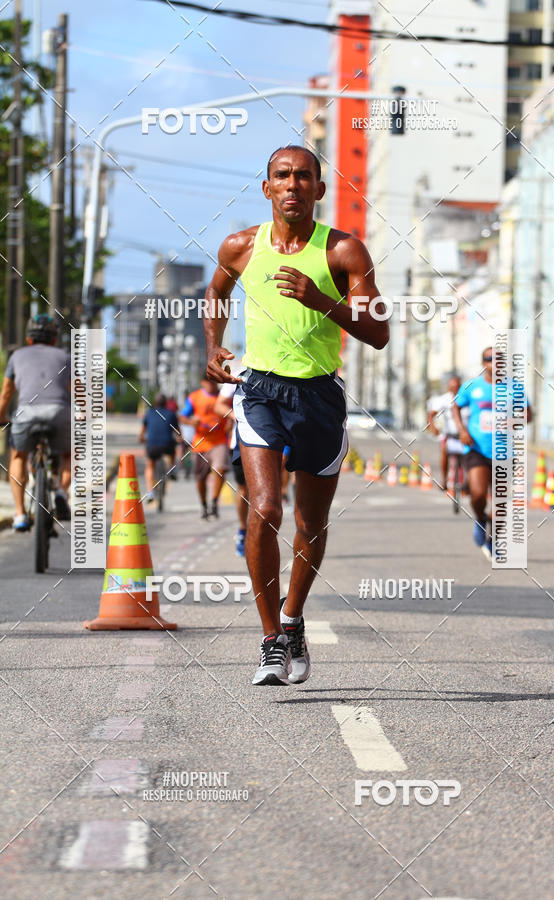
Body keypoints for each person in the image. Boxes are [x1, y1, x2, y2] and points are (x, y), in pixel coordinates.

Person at [203, 144, 389, 685]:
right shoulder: (240, 247)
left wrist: (322, 302)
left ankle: (292, 620)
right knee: (264, 509)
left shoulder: (345, 252)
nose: (292, 185)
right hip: (259, 390)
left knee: (310, 522)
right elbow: (215, 293)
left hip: (319, 398)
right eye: (282, 176)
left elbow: (378, 333)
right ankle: (268, 642)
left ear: (319, 189)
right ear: (267, 189)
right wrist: (212, 346)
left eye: (303, 176)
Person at [453, 346, 532, 559]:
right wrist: (461, 430)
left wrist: (514, 420)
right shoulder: (472, 386)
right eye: (489, 359)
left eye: (499, 359)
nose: (494, 363)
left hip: (504, 452)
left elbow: (528, 413)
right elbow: (455, 406)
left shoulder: (514, 387)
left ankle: (493, 541)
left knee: (500, 501)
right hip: (477, 449)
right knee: (478, 495)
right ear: (483, 363)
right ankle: (480, 519)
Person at [0, 314, 71, 531]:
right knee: (71, 452)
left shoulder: (16, 356)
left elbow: (6, 393)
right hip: (59, 413)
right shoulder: (66, 357)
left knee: (18, 455)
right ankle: (61, 492)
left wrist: (1, 416)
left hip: (26, 413)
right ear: (54, 339)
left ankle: (20, 513)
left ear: (29, 339)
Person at [180, 374, 229, 519]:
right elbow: (182, 416)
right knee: (200, 478)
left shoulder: (224, 397)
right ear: (203, 382)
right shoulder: (194, 397)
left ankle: (214, 502)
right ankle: (203, 505)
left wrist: (231, 424)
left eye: (215, 382)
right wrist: (191, 422)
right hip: (200, 443)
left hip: (219, 442)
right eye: (209, 382)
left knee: (220, 469)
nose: (212, 385)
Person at [214, 372, 248, 557]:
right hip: (241, 442)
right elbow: (218, 404)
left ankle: (262, 535)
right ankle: (243, 531)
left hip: (274, 442)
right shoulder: (239, 374)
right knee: (244, 489)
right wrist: (235, 415)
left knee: (266, 494)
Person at [138, 393, 179, 502]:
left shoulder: (149, 413)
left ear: (155, 403)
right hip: (167, 444)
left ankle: (150, 493)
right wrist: (180, 438)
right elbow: (177, 432)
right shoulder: (171, 414)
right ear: (166, 403)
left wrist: (141, 439)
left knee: (150, 465)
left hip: (152, 445)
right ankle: (171, 470)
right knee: (172, 452)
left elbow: (142, 432)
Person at [427, 374, 462, 491]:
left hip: (464, 434)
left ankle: (468, 480)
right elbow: (431, 414)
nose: (455, 389)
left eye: (457, 387)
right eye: (452, 387)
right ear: (448, 387)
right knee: (443, 451)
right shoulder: (444, 399)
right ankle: (444, 479)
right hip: (449, 434)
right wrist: (433, 427)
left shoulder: (465, 397)